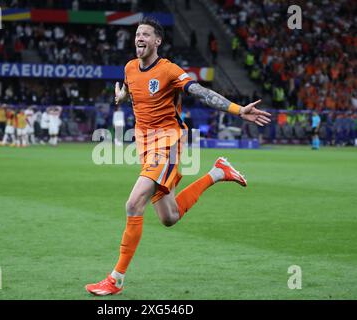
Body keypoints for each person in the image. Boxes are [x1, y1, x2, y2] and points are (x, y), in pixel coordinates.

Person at [85, 17, 271, 296]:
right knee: (169, 217)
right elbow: (134, 92)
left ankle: (115, 279)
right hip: (145, 147)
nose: (140, 38)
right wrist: (122, 97)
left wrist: (237, 109)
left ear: (157, 41)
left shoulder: (169, 70)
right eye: (137, 34)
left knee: (134, 203)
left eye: (146, 34)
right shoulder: (129, 68)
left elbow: (201, 93)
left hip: (167, 143)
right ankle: (218, 171)